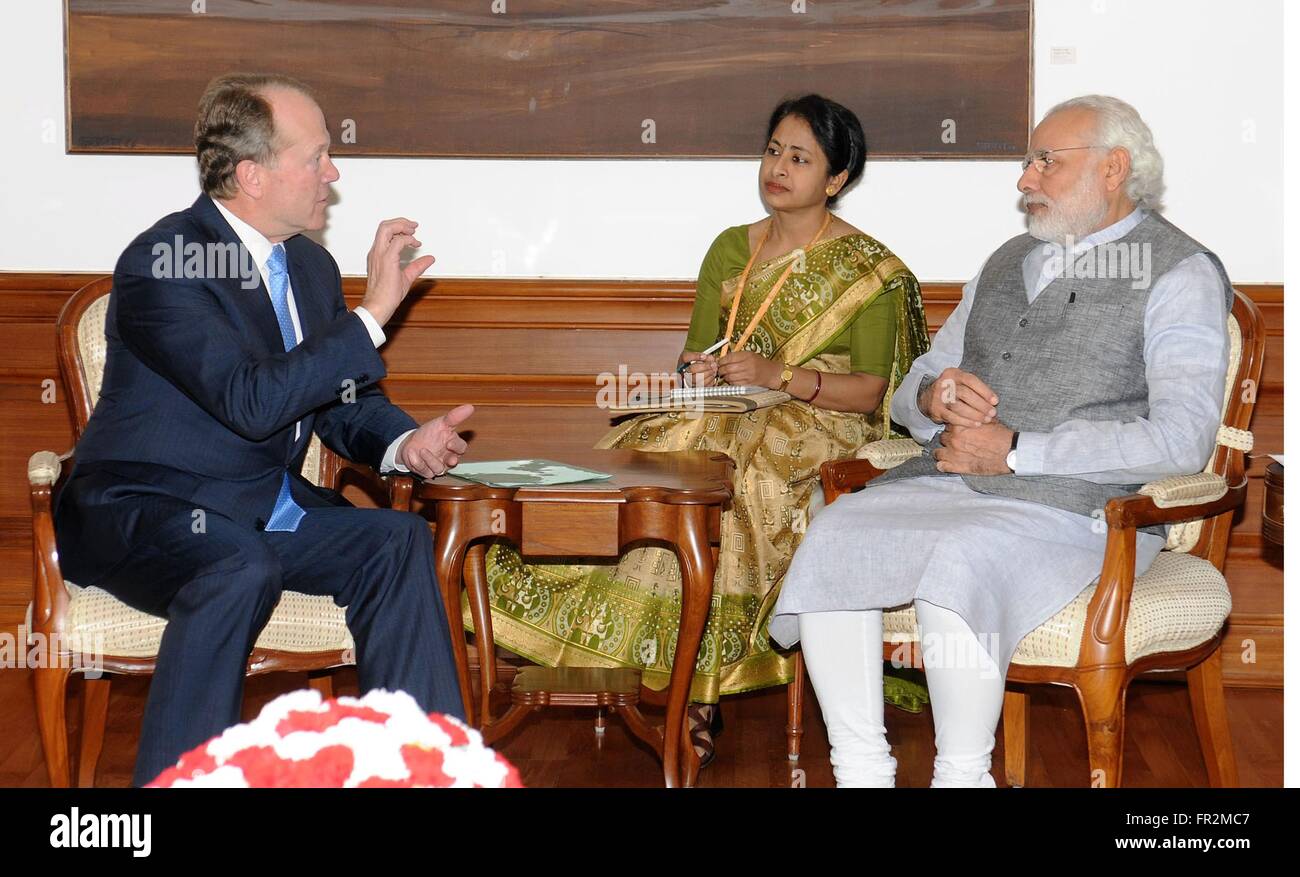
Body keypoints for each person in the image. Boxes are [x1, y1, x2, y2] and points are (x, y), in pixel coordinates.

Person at [770, 95, 1234, 787]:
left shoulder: (1180, 271)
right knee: (839, 527)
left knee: (964, 556)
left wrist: (1018, 451)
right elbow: (912, 389)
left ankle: (965, 776)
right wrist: (934, 397)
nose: (1025, 179)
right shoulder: (1009, 260)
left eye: (1047, 161)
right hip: (949, 484)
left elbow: (1181, 437)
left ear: (1114, 169)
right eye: (1027, 161)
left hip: (1084, 509)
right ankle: (860, 771)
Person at [479, 95, 931, 766]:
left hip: (820, 426)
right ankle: (632, 664)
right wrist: (700, 370)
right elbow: (697, 350)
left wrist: (781, 374)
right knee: (646, 457)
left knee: (734, 481)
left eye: (799, 158)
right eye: (773, 150)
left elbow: (869, 390)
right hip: (726, 411)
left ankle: (698, 688)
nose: (778, 167)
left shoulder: (871, 269)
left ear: (835, 180)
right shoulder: (731, 247)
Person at [54, 73, 469, 786]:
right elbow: (250, 399)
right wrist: (370, 316)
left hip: (260, 508)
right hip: (146, 508)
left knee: (397, 542)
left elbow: (338, 399)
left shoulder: (306, 265)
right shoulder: (166, 261)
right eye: (316, 156)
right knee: (238, 565)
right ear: (251, 174)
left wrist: (404, 442)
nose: (332, 174)